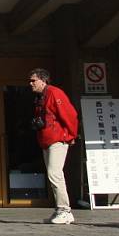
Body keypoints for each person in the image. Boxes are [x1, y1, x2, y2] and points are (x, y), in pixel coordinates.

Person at [29, 68, 79, 225]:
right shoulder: (41, 97)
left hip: (57, 139)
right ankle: (60, 210)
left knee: (54, 173)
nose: (30, 83)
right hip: (47, 140)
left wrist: (71, 135)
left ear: (43, 80)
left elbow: (70, 115)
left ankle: (65, 210)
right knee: (53, 174)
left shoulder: (54, 93)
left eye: (33, 80)